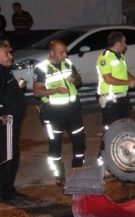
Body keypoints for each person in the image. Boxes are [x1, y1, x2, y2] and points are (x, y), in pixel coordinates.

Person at [32, 39, 86, 186]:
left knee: (80, 141)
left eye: (66, 51)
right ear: (51, 53)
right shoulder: (42, 68)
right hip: (53, 113)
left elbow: (79, 82)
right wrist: (56, 90)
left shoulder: (68, 63)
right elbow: (36, 91)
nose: (65, 54)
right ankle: (59, 174)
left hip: (73, 111)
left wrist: (74, 80)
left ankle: (78, 168)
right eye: (61, 52)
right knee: (55, 144)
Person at [96, 32, 135, 160]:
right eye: (124, 42)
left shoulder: (120, 56)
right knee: (110, 130)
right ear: (118, 44)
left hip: (123, 97)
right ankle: (102, 158)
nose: (126, 45)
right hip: (111, 99)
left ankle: (118, 156)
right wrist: (127, 82)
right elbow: (108, 79)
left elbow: (124, 71)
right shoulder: (105, 57)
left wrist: (131, 78)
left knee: (123, 127)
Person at [0, 37, 27, 201]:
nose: (11, 56)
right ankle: (5, 191)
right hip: (7, 120)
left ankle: (7, 188)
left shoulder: (4, 71)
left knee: (12, 154)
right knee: (8, 156)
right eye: (6, 53)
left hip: (12, 120)